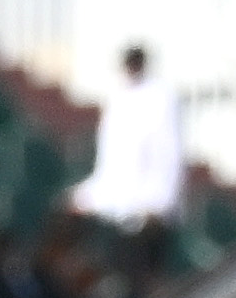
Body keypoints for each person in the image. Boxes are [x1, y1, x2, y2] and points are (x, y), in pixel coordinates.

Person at [76, 38, 186, 245]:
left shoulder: (160, 97)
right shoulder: (118, 95)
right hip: (115, 196)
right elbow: (110, 157)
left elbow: (168, 152)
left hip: (148, 198)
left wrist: (158, 202)